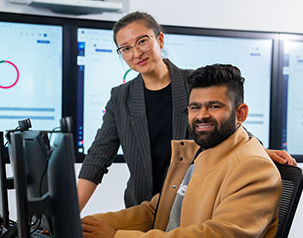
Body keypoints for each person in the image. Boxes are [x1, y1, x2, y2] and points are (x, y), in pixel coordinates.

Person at [78, 11, 295, 210]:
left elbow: (226, 127)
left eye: (142, 41)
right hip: (141, 209)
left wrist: (258, 150)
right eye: (125, 48)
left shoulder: (194, 84)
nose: (136, 53)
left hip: (191, 208)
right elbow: (97, 158)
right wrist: (67, 217)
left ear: (160, 39)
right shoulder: (120, 98)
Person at [82, 64, 282, 238]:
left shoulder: (253, 167)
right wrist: (86, 228)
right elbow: (156, 212)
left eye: (214, 106)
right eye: (194, 107)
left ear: (240, 113)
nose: (201, 115)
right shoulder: (197, 153)